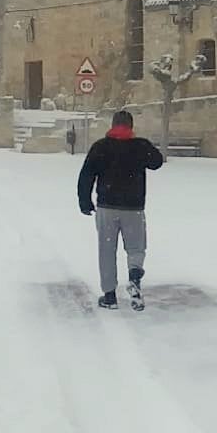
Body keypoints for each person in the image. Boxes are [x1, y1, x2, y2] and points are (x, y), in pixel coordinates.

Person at [77, 109, 164, 310]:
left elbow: (86, 175)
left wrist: (85, 201)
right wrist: (143, 146)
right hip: (133, 208)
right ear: (131, 126)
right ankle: (134, 277)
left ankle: (109, 296)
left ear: (112, 125)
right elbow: (157, 162)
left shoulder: (101, 147)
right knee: (136, 247)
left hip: (107, 207)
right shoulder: (140, 146)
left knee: (107, 250)